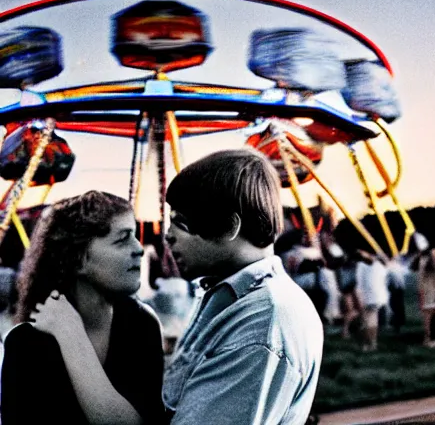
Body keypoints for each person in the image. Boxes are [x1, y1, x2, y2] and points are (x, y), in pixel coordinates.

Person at [163, 149, 324, 425]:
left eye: (180, 223)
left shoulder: (262, 323)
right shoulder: (230, 297)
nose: (168, 236)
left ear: (228, 226)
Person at [1, 190, 166, 425]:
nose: (139, 249)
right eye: (122, 239)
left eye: (135, 236)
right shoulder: (26, 343)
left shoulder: (141, 325)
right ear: (78, 259)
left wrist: (71, 334)